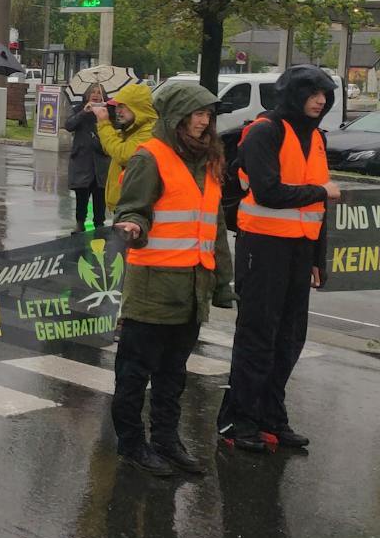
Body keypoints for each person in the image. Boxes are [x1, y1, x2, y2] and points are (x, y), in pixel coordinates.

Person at [110, 80, 234, 476]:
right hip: (151, 288)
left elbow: (215, 228)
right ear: (177, 116)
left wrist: (222, 283)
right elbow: (133, 209)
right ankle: (131, 444)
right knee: (134, 372)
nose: (205, 121)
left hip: (192, 289)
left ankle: (166, 439)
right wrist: (131, 225)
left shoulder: (209, 162)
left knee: (173, 374)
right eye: (198, 113)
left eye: (208, 115)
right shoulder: (152, 157)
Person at [216, 65, 338, 454]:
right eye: (313, 92)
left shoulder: (315, 137)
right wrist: (320, 189)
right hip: (263, 247)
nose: (320, 99)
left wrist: (318, 257)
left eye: (324, 93)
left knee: (289, 338)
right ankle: (239, 420)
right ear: (293, 93)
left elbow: (318, 206)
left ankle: (270, 415)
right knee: (257, 337)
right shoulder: (265, 131)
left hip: (300, 250)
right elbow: (268, 191)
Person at [99, 82, 156, 212]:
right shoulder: (131, 130)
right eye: (117, 106)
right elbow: (108, 148)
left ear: (137, 107)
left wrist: (103, 124)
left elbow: (122, 155)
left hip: (133, 206)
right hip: (125, 204)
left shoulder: (149, 132)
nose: (117, 111)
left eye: (122, 106)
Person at [63, 82, 112, 231]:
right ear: (87, 95)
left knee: (99, 198)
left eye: (99, 92)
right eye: (93, 92)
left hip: (101, 162)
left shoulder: (108, 111)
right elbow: (69, 125)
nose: (96, 95)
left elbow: (115, 129)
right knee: (82, 196)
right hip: (82, 161)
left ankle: (99, 225)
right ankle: (80, 223)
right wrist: (84, 112)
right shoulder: (79, 109)